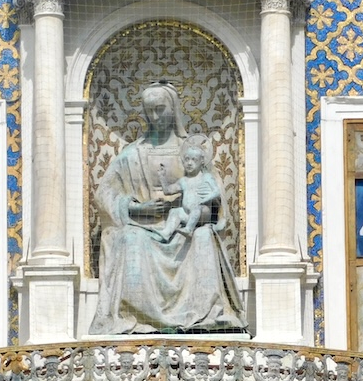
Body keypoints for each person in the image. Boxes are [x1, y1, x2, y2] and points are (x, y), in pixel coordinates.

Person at [88, 81, 247, 335]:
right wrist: (138, 210)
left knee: (205, 236)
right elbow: (105, 194)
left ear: (173, 109)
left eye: (160, 109)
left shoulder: (193, 154)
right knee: (131, 238)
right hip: (143, 229)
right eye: (149, 110)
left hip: (187, 228)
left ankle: (206, 317)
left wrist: (196, 215)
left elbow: (215, 205)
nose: (154, 116)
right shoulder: (132, 154)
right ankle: (139, 319)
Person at [157, 140, 221, 242]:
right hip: (187, 214)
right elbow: (168, 191)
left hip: (202, 213)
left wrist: (205, 199)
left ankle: (189, 230)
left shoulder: (206, 177)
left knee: (196, 207)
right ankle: (166, 233)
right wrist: (162, 177)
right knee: (174, 211)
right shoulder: (184, 181)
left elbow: (217, 192)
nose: (189, 163)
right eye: (187, 159)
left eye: (194, 160)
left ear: (202, 161)